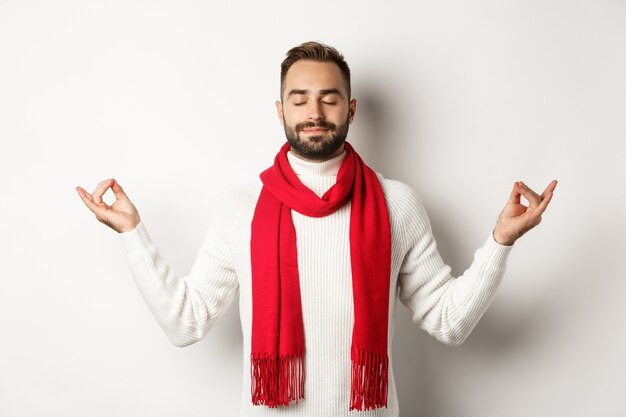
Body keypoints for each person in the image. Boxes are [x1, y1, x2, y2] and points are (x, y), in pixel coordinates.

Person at [76, 41, 557, 417]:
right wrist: (131, 232)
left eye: (329, 99)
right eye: (299, 99)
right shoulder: (241, 207)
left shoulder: (396, 204)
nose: (314, 113)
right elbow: (186, 323)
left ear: (351, 110)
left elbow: (449, 323)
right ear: (280, 110)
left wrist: (500, 242)